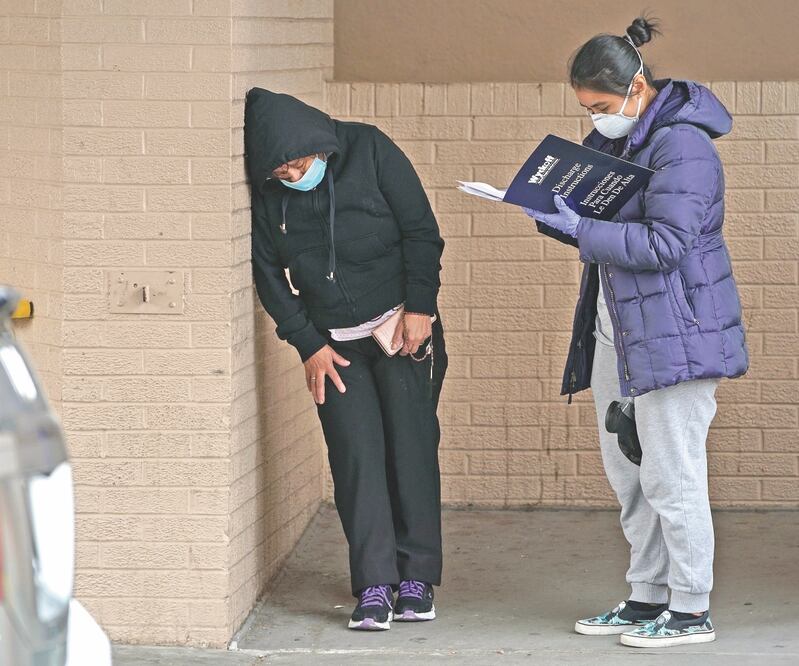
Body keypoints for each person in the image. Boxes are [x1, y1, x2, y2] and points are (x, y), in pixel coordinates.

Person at [524, 17, 748, 648]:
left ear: (636, 88)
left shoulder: (684, 145)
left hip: (673, 330)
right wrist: (552, 213)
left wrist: (579, 231)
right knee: (629, 471)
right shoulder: (625, 142)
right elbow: (606, 221)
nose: (595, 119)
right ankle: (647, 594)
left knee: (672, 475)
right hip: (618, 330)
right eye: (586, 110)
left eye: (600, 106)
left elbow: (669, 242)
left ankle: (691, 609)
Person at [243, 89, 447, 631]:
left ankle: (416, 578)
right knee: (356, 460)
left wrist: (421, 308)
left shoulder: (369, 148)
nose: (292, 173)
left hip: (400, 328)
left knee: (411, 449)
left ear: (320, 145)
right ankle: (374, 584)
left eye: (300, 163)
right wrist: (307, 343)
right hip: (334, 348)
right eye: (282, 169)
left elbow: (421, 232)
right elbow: (269, 275)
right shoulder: (271, 193)